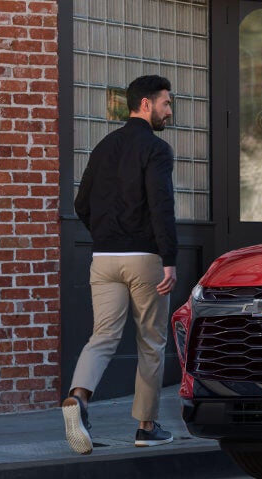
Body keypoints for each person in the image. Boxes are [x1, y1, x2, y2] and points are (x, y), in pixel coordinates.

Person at [62, 75, 179, 455]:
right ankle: (146, 426)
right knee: (151, 341)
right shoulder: (156, 149)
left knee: (103, 336)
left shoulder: (104, 146)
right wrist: (170, 259)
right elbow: (161, 205)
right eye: (166, 103)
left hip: (104, 258)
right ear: (145, 104)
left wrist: (105, 234)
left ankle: (78, 398)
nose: (169, 110)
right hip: (144, 258)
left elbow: (82, 204)